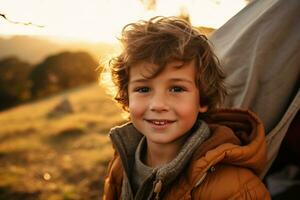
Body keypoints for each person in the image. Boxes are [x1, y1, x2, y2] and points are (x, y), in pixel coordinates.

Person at [102, 16, 270, 199]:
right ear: (127, 98)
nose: (158, 105)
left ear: (202, 100)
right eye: (143, 89)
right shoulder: (122, 163)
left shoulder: (234, 187)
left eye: (176, 89)